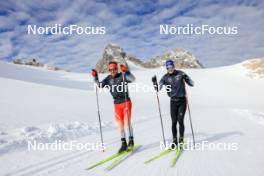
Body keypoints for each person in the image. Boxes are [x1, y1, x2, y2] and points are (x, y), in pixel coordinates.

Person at [91, 61, 136, 153]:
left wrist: (126, 72)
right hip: (116, 105)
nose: (113, 71)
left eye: (114, 69)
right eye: (111, 69)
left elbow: (133, 79)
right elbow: (99, 85)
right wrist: (95, 77)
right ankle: (123, 144)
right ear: (109, 70)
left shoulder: (122, 76)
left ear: (117, 69)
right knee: (120, 125)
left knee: (127, 123)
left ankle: (131, 141)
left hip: (126, 102)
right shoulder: (108, 79)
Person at [156, 59, 194, 148]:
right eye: (168, 67)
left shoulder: (180, 73)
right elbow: (158, 87)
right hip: (173, 101)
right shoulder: (165, 77)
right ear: (166, 68)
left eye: (171, 66)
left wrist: (186, 78)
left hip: (182, 101)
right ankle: (174, 140)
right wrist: (155, 84)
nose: (170, 68)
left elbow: (192, 84)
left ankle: (181, 139)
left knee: (180, 120)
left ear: (174, 66)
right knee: (173, 122)